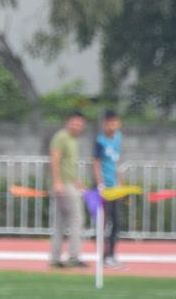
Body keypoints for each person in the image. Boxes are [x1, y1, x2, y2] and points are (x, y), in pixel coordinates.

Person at [49, 110, 86, 268]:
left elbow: (69, 164)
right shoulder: (61, 137)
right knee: (76, 219)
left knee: (61, 222)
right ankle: (73, 256)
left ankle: (55, 258)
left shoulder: (73, 140)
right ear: (68, 122)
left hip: (70, 183)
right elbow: (55, 159)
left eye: (79, 123)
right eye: (74, 122)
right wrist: (57, 182)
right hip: (64, 185)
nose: (77, 126)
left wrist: (77, 181)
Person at [93, 109, 124, 269]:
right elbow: (97, 163)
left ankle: (112, 254)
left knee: (117, 221)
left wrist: (120, 182)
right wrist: (100, 184)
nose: (112, 126)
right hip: (104, 187)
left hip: (115, 187)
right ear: (105, 124)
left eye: (115, 123)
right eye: (109, 123)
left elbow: (117, 161)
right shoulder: (100, 141)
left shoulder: (118, 138)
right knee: (104, 222)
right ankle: (104, 255)